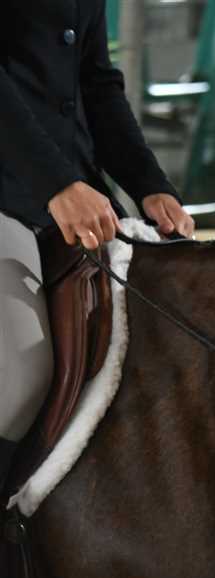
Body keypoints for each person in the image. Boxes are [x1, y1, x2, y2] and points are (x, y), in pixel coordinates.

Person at [0, 0, 194, 459]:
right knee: (23, 380)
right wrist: (56, 184)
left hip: (77, 195)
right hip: (11, 198)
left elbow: (95, 81)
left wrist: (150, 185)